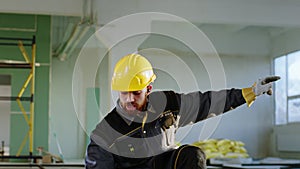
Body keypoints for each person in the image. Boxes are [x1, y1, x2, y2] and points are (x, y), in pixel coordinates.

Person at [85, 53, 280, 169]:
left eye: (136, 93)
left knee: (191, 155)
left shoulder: (168, 104)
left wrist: (250, 92)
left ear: (148, 89)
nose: (129, 99)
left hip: (164, 165)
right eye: (124, 93)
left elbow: (208, 102)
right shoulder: (106, 133)